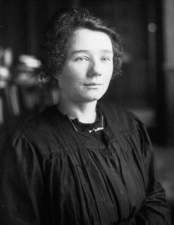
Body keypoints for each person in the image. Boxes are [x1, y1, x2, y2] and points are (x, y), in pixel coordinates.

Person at [0, 7, 172, 225]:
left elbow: (154, 197)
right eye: (81, 58)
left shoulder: (129, 124)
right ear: (55, 66)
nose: (96, 70)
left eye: (105, 58)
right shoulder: (28, 146)